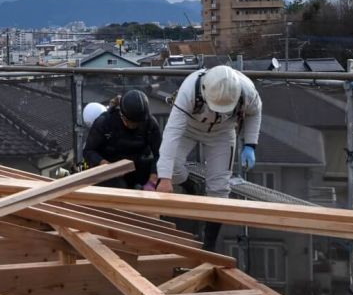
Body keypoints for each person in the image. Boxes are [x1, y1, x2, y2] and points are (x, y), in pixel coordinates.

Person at [155, 65, 262, 251]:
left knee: (220, 189)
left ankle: (209, 244)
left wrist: (250, 145)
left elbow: (255, 112)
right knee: (172, 169)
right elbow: (172, 132)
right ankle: (191, 185)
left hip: (222, 133)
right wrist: (164, 178)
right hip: (189, 128)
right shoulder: (190, 89)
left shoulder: (246, 90)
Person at [83, 89, 162, 189]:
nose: (134, 126)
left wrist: (153, 180)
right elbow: (88, 151)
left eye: (137, 123)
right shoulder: (105, 122)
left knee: (163, 177)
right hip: (111, 169)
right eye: (131, 122)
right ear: (122, 115)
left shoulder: (150, 123)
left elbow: (160, 154)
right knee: (119, 186)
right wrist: (106, 165)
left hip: (137, 165)